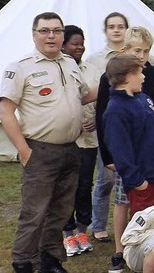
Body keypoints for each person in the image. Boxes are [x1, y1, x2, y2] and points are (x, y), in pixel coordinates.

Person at [0, 12, 96, 273]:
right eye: (44, 31)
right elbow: (5, 112)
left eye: (56, 30)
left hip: (70, 149)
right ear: (34, 34)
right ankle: (23, 262)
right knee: (34, 213)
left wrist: (115, 78)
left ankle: (50, 260)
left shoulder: (70, 64)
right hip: (39, 150)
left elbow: (85, 96)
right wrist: (23, 151)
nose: (51, 36)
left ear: (63, 35)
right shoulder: (20, 67)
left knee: (61, 210)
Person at [95, 26, 154, 273]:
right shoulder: (111, 78)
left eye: (146, 51)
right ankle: (120, 249)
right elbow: (103, 119)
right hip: (124, 156)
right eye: (137, 50)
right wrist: (108, 157)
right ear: (125, 49)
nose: (142, 55)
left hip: (152, 155)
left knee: (153, 207)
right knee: (124, 200)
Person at [86, 12, 129, 244]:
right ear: (105, 31)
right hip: (105, 123)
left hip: (129, 125)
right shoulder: (96, 60)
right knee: (106, 178)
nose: (116, 30)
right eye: (111, 26)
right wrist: (93, 115)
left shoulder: (138, 54)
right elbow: (92, 92)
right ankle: (98, 223)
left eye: (120, 26)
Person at [61, 25, 102, 257]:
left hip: (88, 139)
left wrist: (96, 118)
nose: (79, 47)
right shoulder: (59, 69)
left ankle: (82, 231)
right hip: (66, 139)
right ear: (64, 45)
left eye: (82, 42)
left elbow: (100, 100)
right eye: (75, 43)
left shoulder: (92, 69)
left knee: (85, 186)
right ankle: (67, 234)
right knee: (67, 187)